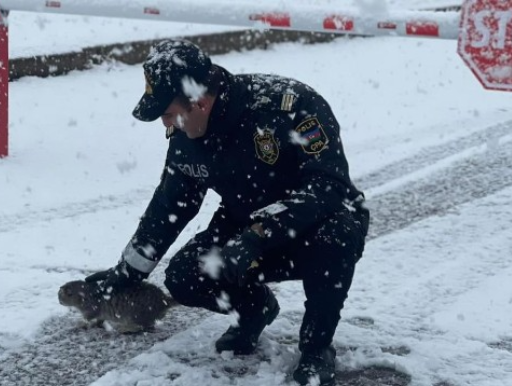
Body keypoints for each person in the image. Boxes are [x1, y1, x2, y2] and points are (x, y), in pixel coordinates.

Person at [85, 39, 369, 386]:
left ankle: (316, 347)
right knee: (185, 275)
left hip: (319, 221)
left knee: (334, 240)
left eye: (169, 113)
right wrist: (127, 272)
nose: (166, 124)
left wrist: (260, 234)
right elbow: (170, 205)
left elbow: (328, 188)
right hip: (243, 225)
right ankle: (255, 310)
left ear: (200, 101)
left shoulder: (288, 107)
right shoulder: (186, 134)